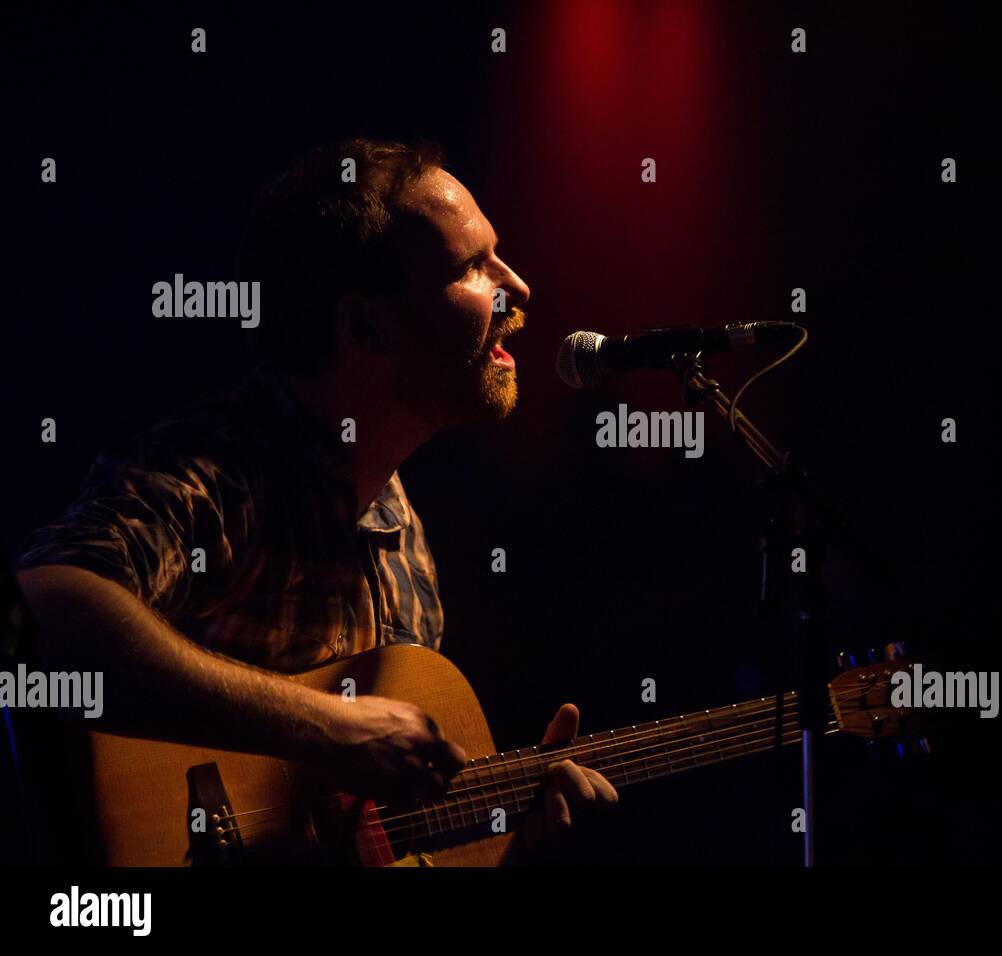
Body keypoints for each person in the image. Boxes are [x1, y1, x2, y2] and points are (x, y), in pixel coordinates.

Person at [13, 138, 617, 857]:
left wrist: (507, 827)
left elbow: (358, 836)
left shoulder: (404, 534)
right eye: (470, 268)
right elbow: (38, 615)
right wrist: (325, 727)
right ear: (364, 327)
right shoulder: (224, 470)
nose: (516, 288)